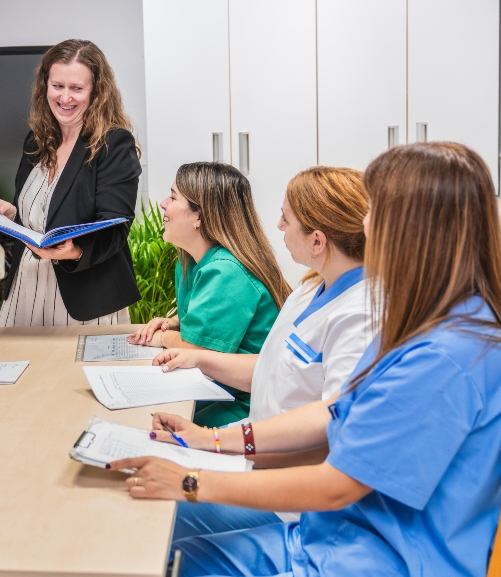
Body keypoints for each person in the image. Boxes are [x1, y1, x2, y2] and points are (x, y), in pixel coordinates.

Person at [114, 142, 501, 577]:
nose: (364, 226)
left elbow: (336, 485)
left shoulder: (443, 356)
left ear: (413, 230)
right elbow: (335, 412)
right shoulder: (430, 324)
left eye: (375, 212)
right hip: (333, 541)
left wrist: (191, 480)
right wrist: (211, 440)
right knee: (171, 564)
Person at [149, 166, 374, 538]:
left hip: (290, 493)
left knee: (159, 511)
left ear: (318, 241)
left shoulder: (360, 317)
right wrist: (200, 359)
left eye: (286, 219)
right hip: (256, 453)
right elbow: (272, 371)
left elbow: (334, 430)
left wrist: (216, 444)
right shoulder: (310, 290)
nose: (279, 226)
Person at [0, 39, 142, 326]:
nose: (65, 97)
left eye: (77, 88)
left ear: (96, 92)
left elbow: (115, 229)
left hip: (85, 299)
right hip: (24, 292)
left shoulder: (113, 144)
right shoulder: (36, 141)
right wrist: (9, 216)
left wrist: (75, 251)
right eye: (57, 86)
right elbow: (37, 219)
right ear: (45, 85)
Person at [127, 162, 291, 426]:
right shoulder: (190, 262)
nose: (163, 204)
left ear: (199, 217)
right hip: (221, 387)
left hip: (250, 401)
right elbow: (211, 325)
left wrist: (163, 337)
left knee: (152, 426)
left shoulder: (226, 271)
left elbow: (197, 350)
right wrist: (175, 323)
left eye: (173, 197)